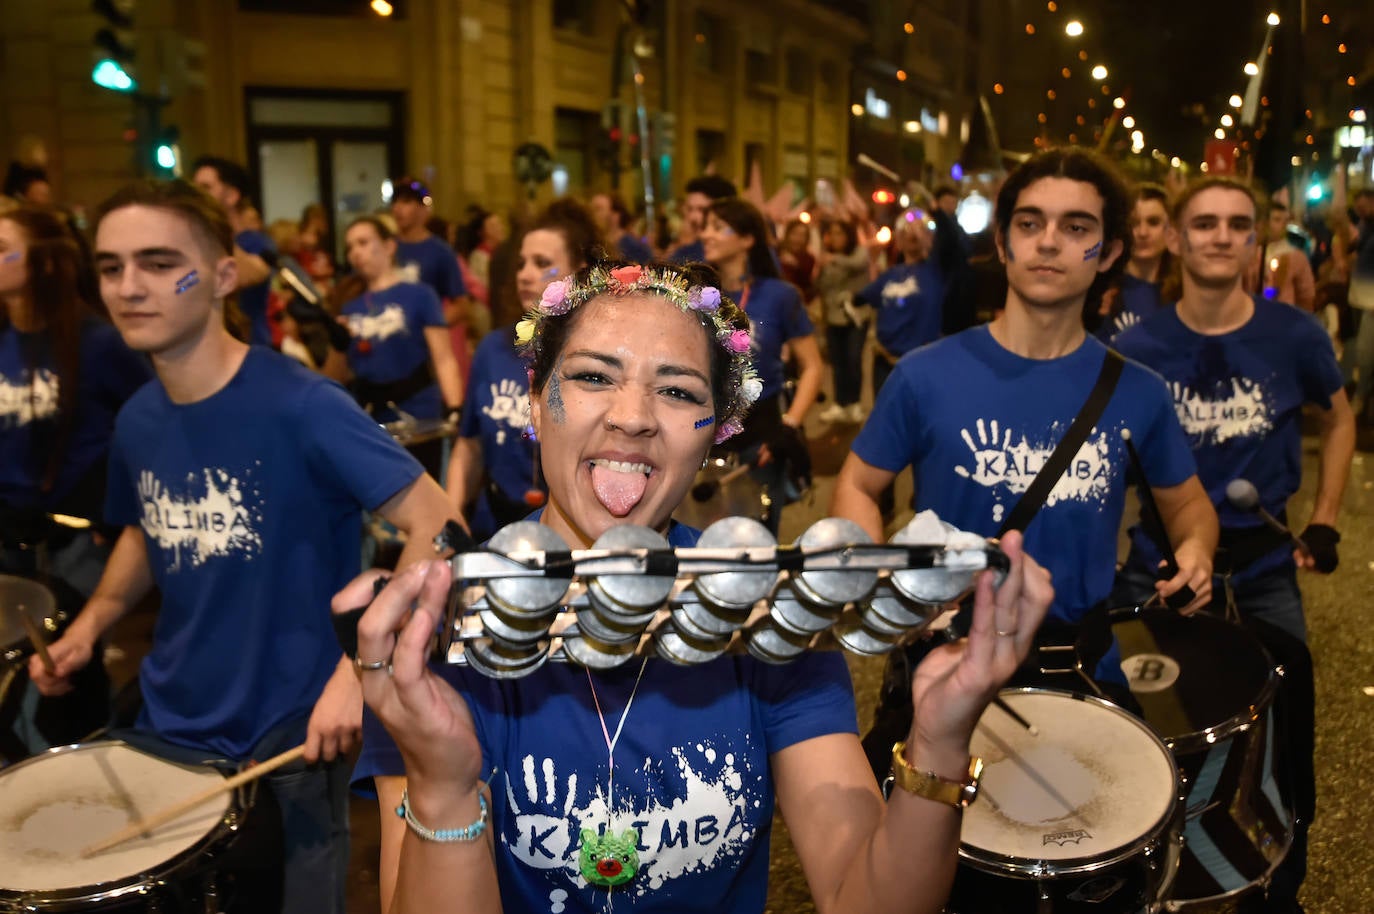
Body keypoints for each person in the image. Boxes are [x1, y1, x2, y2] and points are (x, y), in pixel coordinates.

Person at [346, 259, 1055, 914]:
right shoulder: (447, 629)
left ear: (716, 431)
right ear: (535, 401)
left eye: (678, 390)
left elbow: (863, 899)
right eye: (594, 377)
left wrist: (938, 742)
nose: (632, 416)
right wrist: (442, 785)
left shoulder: (765, 616)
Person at [28, 179, 456, 914]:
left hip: (288, 735)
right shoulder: (136, 419)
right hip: (170, 724)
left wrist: (360, 671)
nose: (130, 287)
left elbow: (439, 524)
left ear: (224, 275)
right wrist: (93, 623)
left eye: (161, 263)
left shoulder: (302, 402)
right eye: (110, 267)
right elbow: (146, 526)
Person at [829, 148, 1217, 775]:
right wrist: (879, 577)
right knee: (926, 861)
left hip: (1080, 665)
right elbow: (856, 482)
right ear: (1003, 244)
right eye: (1030, 224)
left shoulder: (1137, 390)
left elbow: (1186, 503)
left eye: (1077, 228)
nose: (1049, 243)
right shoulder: (924, 375)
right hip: (945, 659)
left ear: (1110, 252)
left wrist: (1196, 549)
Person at [1111, 176, 1354, 914]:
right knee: (1155, 743)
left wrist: (1326, 516)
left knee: (1277, 741)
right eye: (1205, 223)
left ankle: (1278, 887)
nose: (1221, 235)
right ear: (1178, 240)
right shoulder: (1137, 344)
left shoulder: (1296, 335)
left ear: (1256, 241)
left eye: (1238, 224)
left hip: (1264, 570)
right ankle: (1157, 888)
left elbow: (1338, 418)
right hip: (1158, 573)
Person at [0, 205, 152, 757]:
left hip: (78, 537)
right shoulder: (3, 337)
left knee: (65, 673)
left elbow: (147, 423)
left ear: (41, 262)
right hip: (10, 534)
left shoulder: (97, 342)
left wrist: (109, 509)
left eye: (3, 248)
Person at [446, 199, 599, 540]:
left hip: (573, 535)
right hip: (496, 526)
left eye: (542, 263)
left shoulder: (599, 359)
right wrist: (450, 519)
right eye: (521, 264)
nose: (524, 275)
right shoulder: (492, 349)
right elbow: (469, 446)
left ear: (581, 273)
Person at [701, 198, 822, 528]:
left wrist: (790, 425)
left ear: (747, 239)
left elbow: (812, 366)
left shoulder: (780, 295)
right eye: (706, 226)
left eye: (718, 227)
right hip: (701, 435)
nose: (707, 235)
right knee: (700, 538)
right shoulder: (695, 294)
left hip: (762, 438)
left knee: (756, 541)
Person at [335, 215, 464, 477]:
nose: (355, 253)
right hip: (370, 414)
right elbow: (337, 375)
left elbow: (443, 358)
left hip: (418, 412)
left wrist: (455, 409)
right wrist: (336, 342)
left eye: (363, 242)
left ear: (389, 246)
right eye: (349, 247)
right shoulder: (349, 307)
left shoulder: (420, 294)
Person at [191, 156, 277, 348]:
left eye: (205, 188)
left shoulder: (256, 241)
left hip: (251, 348)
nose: (195, 195)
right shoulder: (197, 242)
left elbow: (250, 275)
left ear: (231, 196)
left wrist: (213, 226)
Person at [1097, 183, 1173, 341]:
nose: (1143, 233)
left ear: (1171, 229)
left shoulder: (1184, 291)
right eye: (1134, 223)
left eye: (1153, 222)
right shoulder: (1101, 289)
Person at [814, 217, 870, 424]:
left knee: (853, 359)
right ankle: (840, 403)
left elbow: (859, 263)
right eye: (832, 233)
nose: (835, 238)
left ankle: (854, 404)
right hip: (833, 318)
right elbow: (821, 286)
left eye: (840, 233)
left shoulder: (858, 253)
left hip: (856, 317)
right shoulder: (826, 258)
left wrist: (833, 259)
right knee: (838, 362)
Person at [1249, 199, 1316, 313]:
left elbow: (1306, 296)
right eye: (1276, 220)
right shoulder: (1251, 253)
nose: (1283, 225)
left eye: (1285, 220)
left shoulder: (1295, 256)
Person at [668, 175, 738, 264]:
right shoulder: (684, 255)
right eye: (690, 209)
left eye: (702, 209)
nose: (693, 217)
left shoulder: (745, 256)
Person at [591, 192, 653, 263]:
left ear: (615, 215)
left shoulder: (632, 247)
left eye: (598, 209)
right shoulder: (594, 245)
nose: (592, 214)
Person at [776, 217, 816, 302]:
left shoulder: (808, 259)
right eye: (794, 234)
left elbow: (806, 284)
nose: (797, 239)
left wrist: (796, 265)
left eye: (802, 235)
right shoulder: (777, 251)